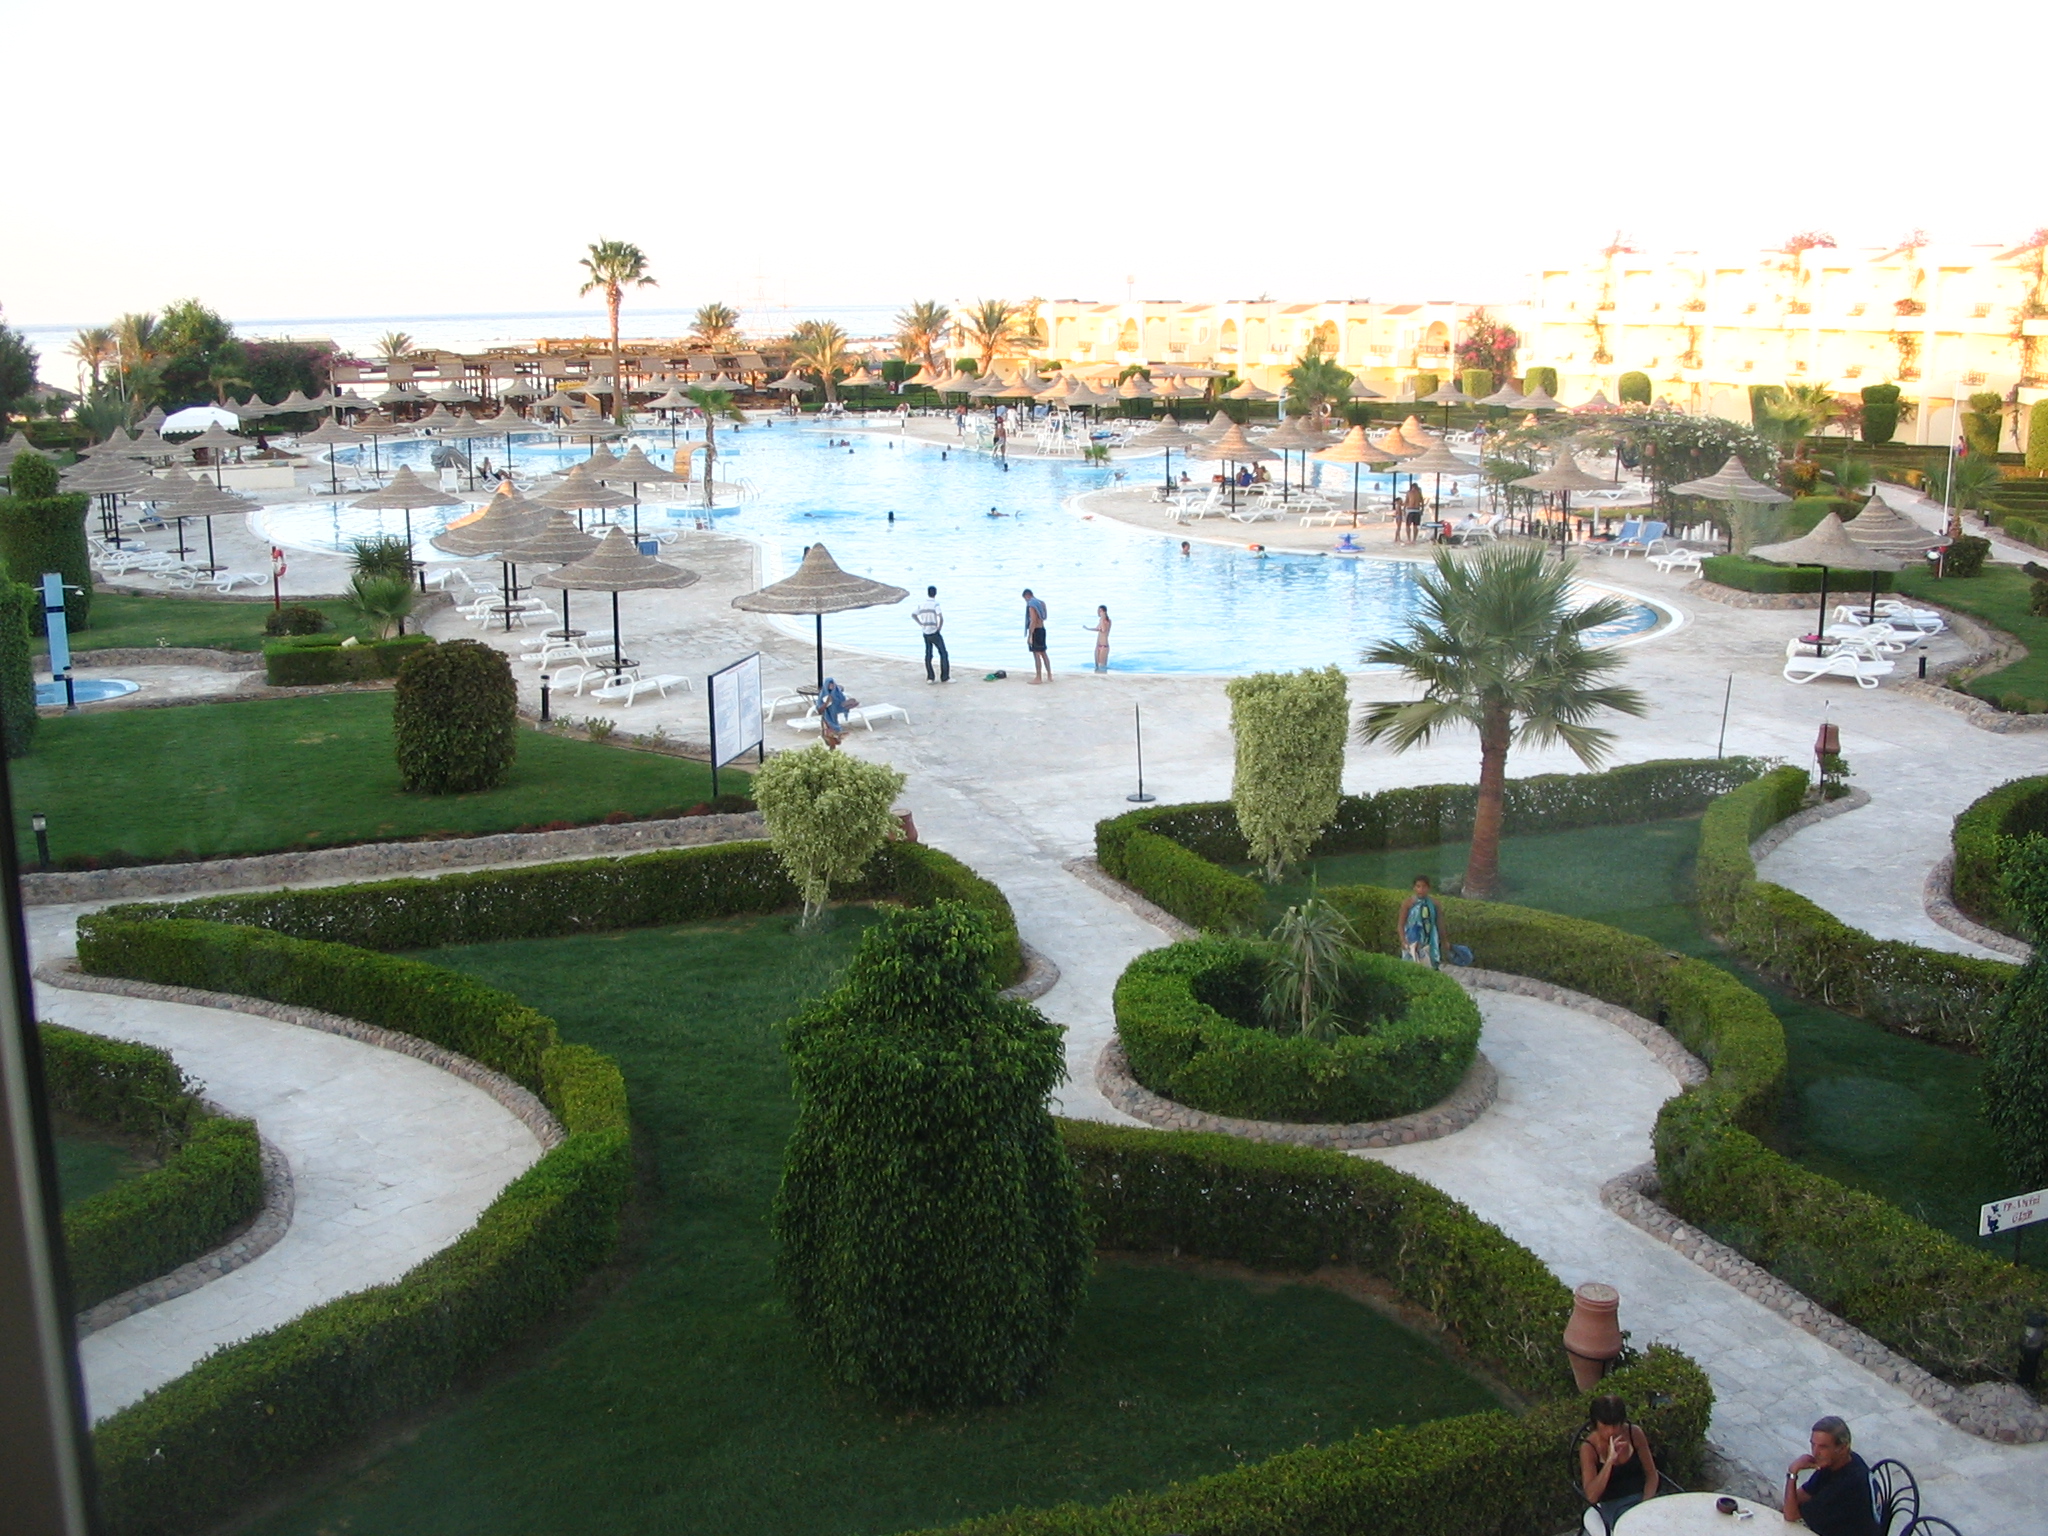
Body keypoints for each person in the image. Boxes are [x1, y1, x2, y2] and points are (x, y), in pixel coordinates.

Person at [1579, 1395, 1660, 1535]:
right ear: (1596, 1424)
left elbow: (1652, 1475)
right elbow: (1591, 1496)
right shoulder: (1589, 1448)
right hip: (1615, 1505)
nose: (1611, 1431)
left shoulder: (1634, 1434)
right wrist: (1609, 1461)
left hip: (1642, 1498)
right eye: (1605, 1426)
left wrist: (1645, 1504)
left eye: (1616, 1425)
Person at [1782, 1417, 1876, 1536]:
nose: (1815, 1452)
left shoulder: (1847, 1484)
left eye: (1823, 1447)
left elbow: (1791, 1515)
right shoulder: (1837, 1462)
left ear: (1842, 1448)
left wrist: (1792, 1473)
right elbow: (1799, 1497)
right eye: (1813, 1445)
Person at [1398, 876, 1442, 968]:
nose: (1421, 890)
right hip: (1411, 939)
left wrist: (1444, 941)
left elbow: (1440, 924)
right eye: (1418, 886)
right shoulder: (1408, 903)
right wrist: (1403, 941)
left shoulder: (1435, 904)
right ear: (1414, 888)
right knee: (1410, 966)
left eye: (1424, 887)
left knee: (1429, 966)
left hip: (1430, 940)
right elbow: (1400, 925)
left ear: (1429, 888)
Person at [913, 585, 950, 683]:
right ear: (935, 593)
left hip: (925, 631)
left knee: (928, 654)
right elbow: (940, 617)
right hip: (934, 631)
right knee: (943, 653)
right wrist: (939, 628)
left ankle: (930, 677)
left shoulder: (922, 604)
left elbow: (913, 614)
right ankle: (945, 677)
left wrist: (921, 624)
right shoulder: (935, 604)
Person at [1022, 588, 1051, 682]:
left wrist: (1030, 635)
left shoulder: (1031, 605)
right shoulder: (1041, 603)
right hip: (1042, 629)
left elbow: (1033, 620)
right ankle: (1049, 676)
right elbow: (1044, 617)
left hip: (1036, 630)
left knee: (1036, 654)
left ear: (1027, 596)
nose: (1026, 601)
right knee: (1043, 653)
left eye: (1025, 599)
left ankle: (1038, 677)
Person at [817, 677, 850, 749]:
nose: (831, 686)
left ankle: (833, 748)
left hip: (836, 718)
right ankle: (831, 749)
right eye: (829, 684)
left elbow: (842, 705)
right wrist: (826, 703)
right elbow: (819, 711)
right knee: (830, 738)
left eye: (832, 684)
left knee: (837, 741)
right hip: (827, 719)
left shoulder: (838, 694)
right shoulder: (822, 695)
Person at [1086, 605, 1111, 672]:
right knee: (1096, 666)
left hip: (1104, 646)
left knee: (1101, 666)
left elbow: (1103, 629)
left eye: (1099, 611)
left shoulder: (1107, 621)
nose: (1098, 612)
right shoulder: (1101, 621)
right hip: (1098, 645)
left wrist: (1102, 619)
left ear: (1103, 611)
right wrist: (1088, 629)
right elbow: (1097, 628)